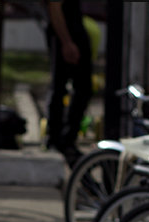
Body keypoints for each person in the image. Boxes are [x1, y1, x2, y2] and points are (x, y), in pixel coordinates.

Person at [44, 1, 93, 167]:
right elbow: (54, 7)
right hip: (65, 32)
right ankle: (57, 138)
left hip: (72, 29)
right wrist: (66, 41)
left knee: (82, 87)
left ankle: (66, 138)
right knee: (61, 87)